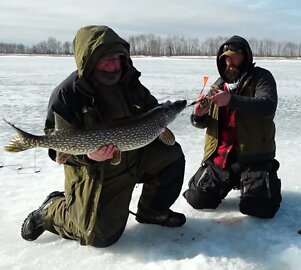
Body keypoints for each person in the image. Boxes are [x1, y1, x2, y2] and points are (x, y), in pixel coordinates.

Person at [20, 25, 186, 247]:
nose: (116, 65)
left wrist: (163, 110)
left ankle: (152, 211)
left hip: (133, 156)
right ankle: (51, 210)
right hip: (95, 170)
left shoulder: (129, 81)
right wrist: (89, 156)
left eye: (118, 59)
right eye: (108, 60)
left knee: (171, 153)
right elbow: (55, 148)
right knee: (99, 236)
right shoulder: (67, 93)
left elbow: (150, 110)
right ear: (90, 61)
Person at [183, 35, 281, 218]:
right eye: (226, 58)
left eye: (235, 57)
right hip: (222, 158)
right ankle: (226, 181)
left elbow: (268, 106)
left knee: (259, 209)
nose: (230, 62)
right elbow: (206, 123)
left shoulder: (261, 77)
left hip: (253, 159)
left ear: (246, 57)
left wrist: (230, 100)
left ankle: (264, 181)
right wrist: (197, 115)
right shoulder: (217, 86)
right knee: (197, 200)